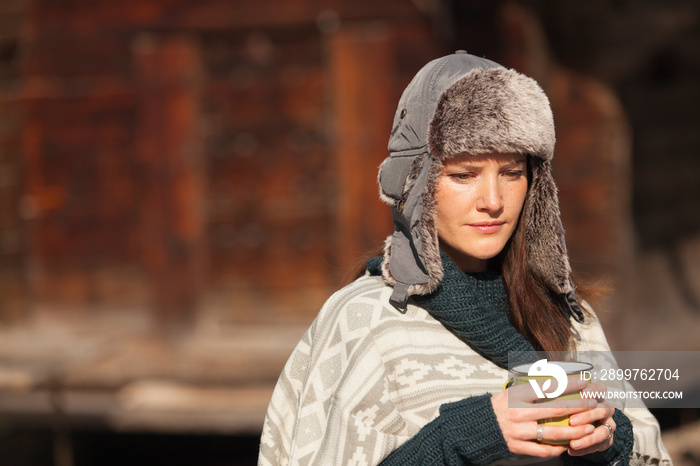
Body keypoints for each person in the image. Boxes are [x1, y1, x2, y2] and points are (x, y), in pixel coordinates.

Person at [258, 52, 672, 465]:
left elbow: (648, 455)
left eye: (512, 173)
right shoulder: (363, 321)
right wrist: (468, 433)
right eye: (463, 175)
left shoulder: (569, 318)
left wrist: (605, 441)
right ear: (417, 184)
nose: (493, 202)